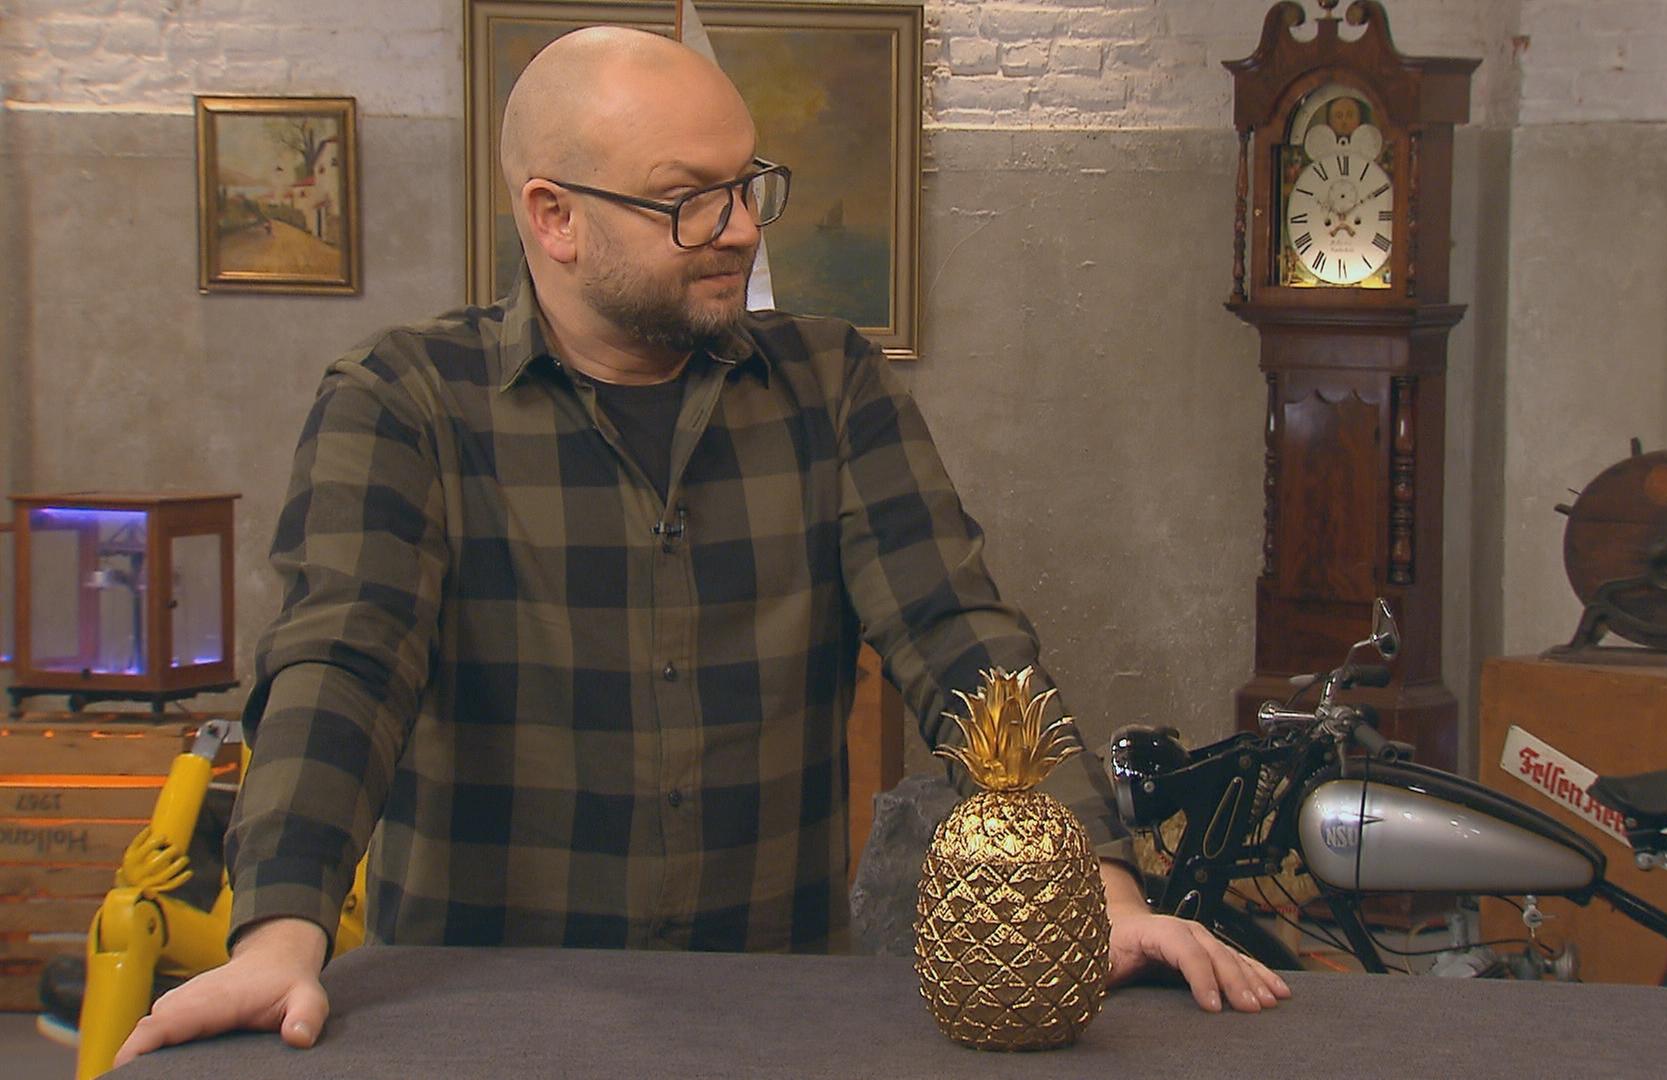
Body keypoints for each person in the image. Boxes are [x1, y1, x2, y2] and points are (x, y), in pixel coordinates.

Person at [114, 27, 1286, 1067]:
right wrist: (279, 935)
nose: (740, 228)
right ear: (553, 217)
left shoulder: (828, 385)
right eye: (688, 200)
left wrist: (1095, 884)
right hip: (480, 1012)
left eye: (747, 185)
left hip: (770, 1012)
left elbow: (959, 638)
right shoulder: (406, 401)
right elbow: (343, 667)